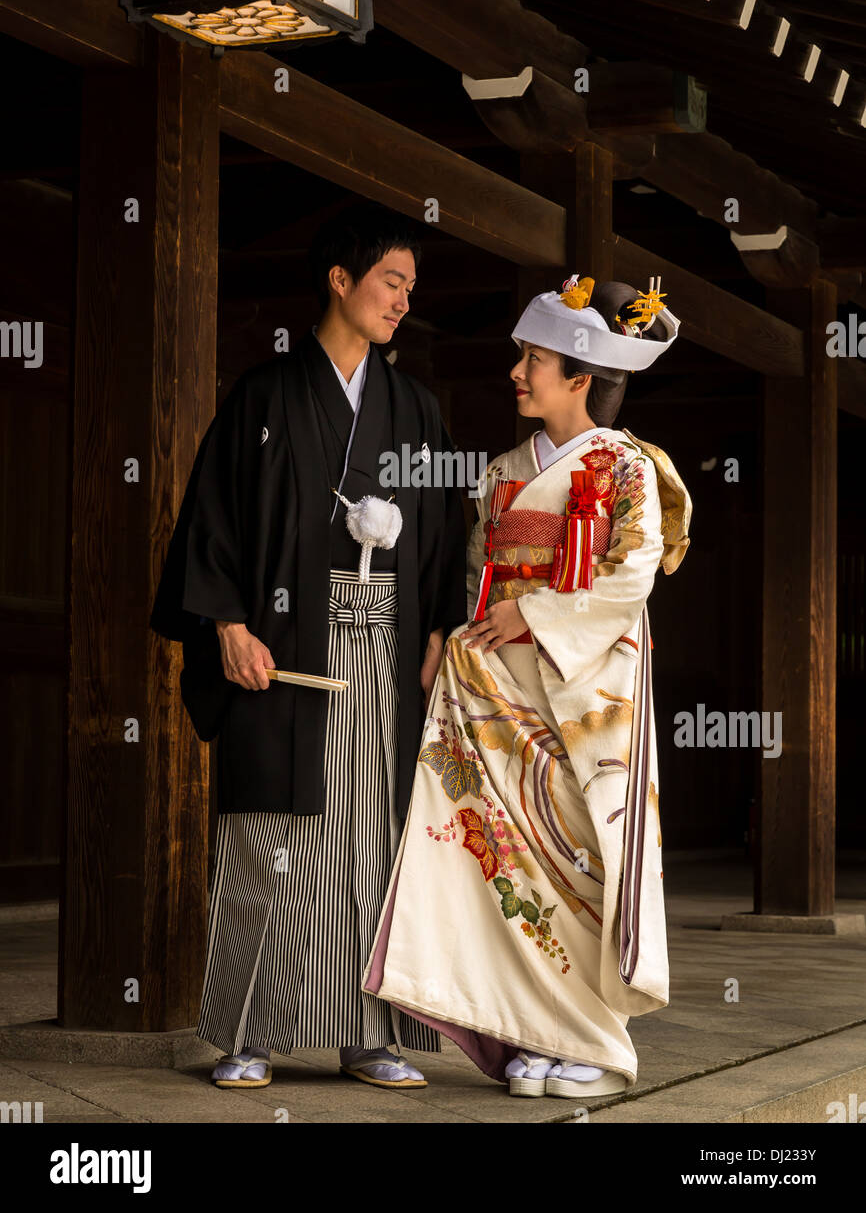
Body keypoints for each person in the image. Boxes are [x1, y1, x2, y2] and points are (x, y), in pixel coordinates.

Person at [150, 204, 466, 1090]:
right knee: (270, 836)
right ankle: (247, 1031)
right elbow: (212, 518)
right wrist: (227, 625)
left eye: (409, 286)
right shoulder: (263, 397)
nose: (403, 300)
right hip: (285, 648)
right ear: (341, 279)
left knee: (374, 839)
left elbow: (446, 533)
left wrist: (439, 628)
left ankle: (373, 1035)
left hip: (389, 650)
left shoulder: (415, 408)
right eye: (390, 281)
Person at [363, 274, 693, 1098]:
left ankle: (598, 1040)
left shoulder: (625, 467)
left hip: (588, 692)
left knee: (584, 855)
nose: (516, 372)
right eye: (519, 356)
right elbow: (480, 570)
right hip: (502, 684)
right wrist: (465, 635)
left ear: (580, 377)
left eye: (533, 360)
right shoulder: (507, 468)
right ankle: (536, 1031)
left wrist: (532, 616)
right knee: (513, 856)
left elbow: (630, 575)